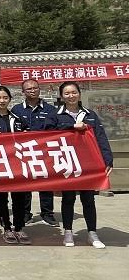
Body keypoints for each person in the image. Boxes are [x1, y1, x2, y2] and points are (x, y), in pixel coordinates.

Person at [45, 81, 113, 249]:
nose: (71, 96)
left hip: (88, 162)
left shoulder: (90, 114)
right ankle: (68, 232)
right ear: (61, 96)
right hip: (67, 162)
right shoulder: (55, 115)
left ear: (79, 94)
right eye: (67, 93)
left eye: (74, 92)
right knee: (68, 198)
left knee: (88, 198)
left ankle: (92, 233)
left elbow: (100, 137)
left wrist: (107, 159)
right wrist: (71, 126)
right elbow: (47, 132)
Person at [0, 86, 31, 244]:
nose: (2, 101)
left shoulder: (18, 118)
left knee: (19, 197)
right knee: (1, 197)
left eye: (5, 97)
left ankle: (19, 227)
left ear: (9, 99)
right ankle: (7, 228)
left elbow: (30, 136)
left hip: (17, 163)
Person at [12, 79, 58, 226]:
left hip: (44, 152)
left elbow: (56, 130)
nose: (32, 91)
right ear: (23, 92)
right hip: (24, 152)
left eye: (35, 88)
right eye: (29, 89)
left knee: (46, 183)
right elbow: (13, 131)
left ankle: (47, 213)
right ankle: (25, 213)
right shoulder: (16, 110)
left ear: (39, 89)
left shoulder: (50, 109)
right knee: (25, 185)